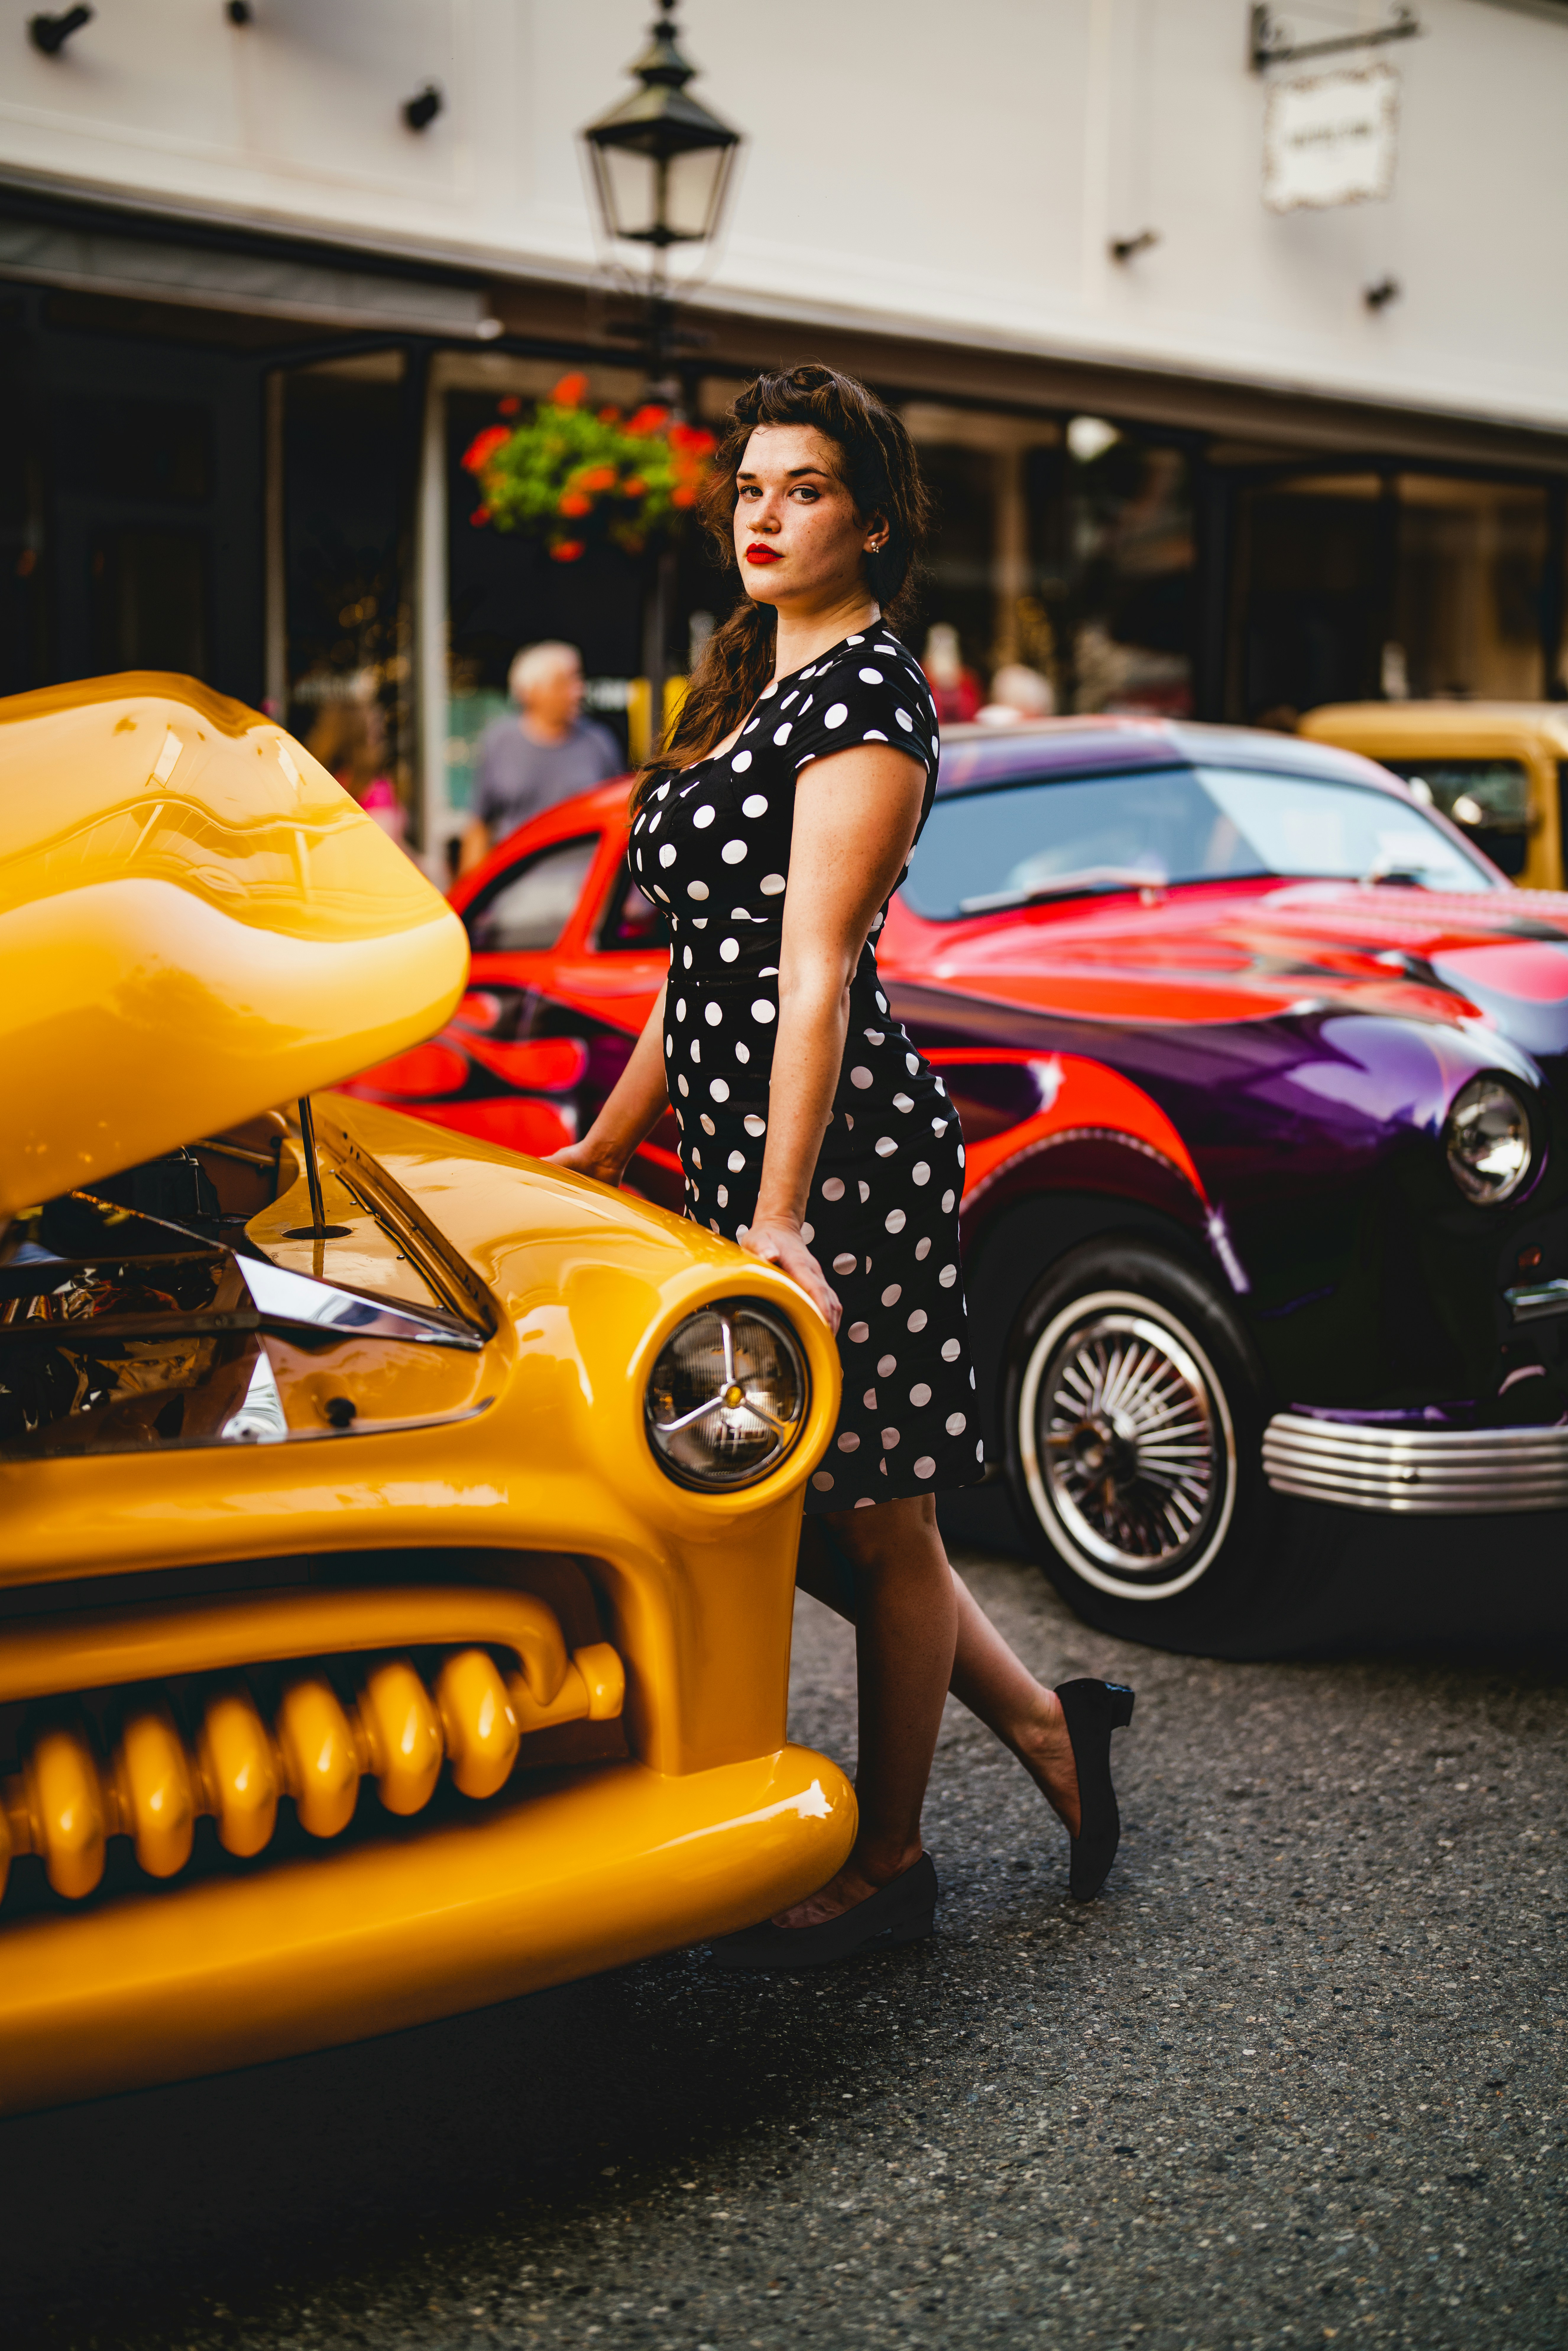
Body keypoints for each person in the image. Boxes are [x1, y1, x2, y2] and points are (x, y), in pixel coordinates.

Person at [550, 363, 1135, 1969]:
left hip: (839, 1160)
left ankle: (891, 1863)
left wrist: (780, 1212)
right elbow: (703, 968)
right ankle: (1050, 1728)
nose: (762, 515)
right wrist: (607, 1139)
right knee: (805, 1498)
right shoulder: (748, 682)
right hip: (742, 1155)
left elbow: (813, 967)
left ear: (869, 520)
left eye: (800, 488)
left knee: (873, 1516)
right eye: (748, 487)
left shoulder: (869, 695)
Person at [460, 641, 622, 872]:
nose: (578, 691)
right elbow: (480, 826)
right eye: (563, 683)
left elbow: (620, 819)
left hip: (583, 885)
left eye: (578, 680)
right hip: (516, 885)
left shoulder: (599, 742)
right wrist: (470, 885)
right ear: (530, 693)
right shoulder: (500, 742)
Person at [305, 695, 406, 845]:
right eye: (374, 729)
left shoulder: (318, 783)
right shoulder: (375, 790)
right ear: (363, 737)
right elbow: (385, 847)